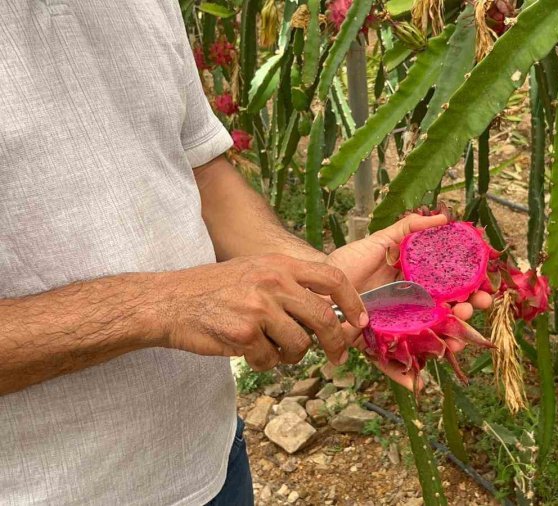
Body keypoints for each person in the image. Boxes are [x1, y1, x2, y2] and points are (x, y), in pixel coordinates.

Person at [0, 1, 490, 504]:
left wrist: (321, 281)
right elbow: (169, 298)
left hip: (211, 464)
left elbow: (204, 176)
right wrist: (162, 305)